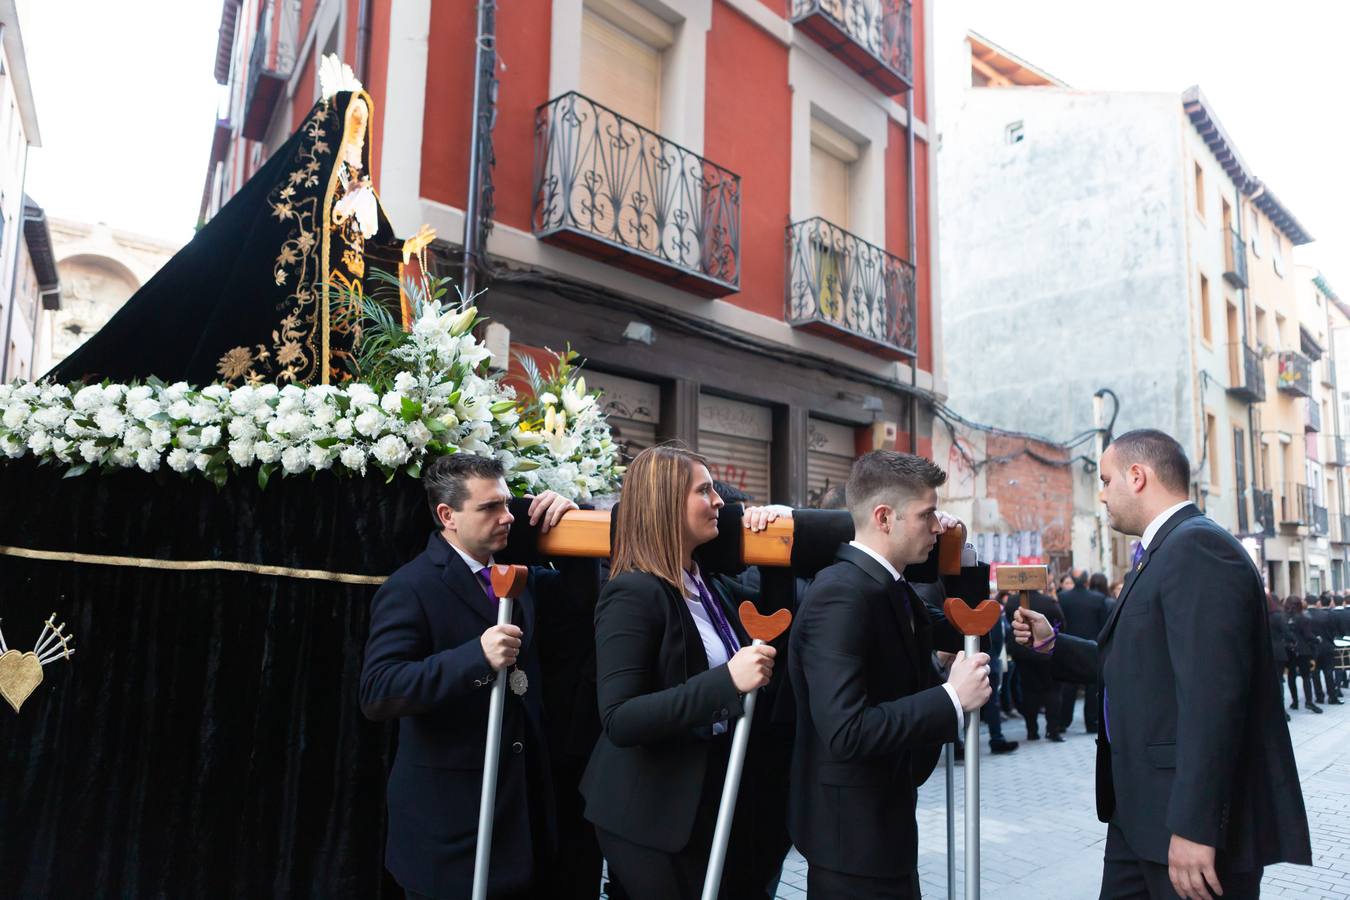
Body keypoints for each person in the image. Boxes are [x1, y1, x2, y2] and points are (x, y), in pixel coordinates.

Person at [1011, 429, 1311, 900]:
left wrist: (1196, 826)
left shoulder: (1197, 549)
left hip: (1182, 826)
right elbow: (1135, 670)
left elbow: (1213, 698)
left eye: (1107, 481)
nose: (1103, 495)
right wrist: (1054, 645)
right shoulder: (1164, 550)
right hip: (1137, 815)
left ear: (1137, 476)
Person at [358, 453, 581, 900]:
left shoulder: (518, 575)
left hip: (522, 815)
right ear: (448, 515)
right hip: (452, 823)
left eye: (506, 504)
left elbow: (582, 607)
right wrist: (475, 658)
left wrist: (570, 526)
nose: (506, 518)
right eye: (489, 508)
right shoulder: (411, 587)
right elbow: (379, 691)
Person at [788, 450, 991, 899]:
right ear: (884, 517)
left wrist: (966, 555)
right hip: (850, 835)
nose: (938, 526)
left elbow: (970, 632)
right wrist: (951, 699)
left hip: (883, 822)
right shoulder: (842, 595)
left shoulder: (889, 586)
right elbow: (845, 730)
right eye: (927, 515)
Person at [579, 445, 777, 900]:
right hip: (651, 815)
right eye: (704, 490)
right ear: (667, 503)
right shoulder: (632, 593)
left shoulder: (708, 585)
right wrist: (726, 681)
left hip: (708, 804)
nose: (719, 502)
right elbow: (620, 717)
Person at [1008, 588, 1066, 741]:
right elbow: (1061, 623)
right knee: (1052, 691)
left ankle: (1031, 731)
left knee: (1029, 692)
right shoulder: (1049, 602)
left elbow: (1010, 623)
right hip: (1047, 654)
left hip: (1022, 652)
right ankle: (1053, 730)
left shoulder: (1012, 601)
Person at [1056, 570, 1109, 734]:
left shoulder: (1063, 598)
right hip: (1092, 646)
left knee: (1069, 687)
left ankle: (1063, 722)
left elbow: (1060, 622)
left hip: (1069, 645)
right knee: (1092, 688)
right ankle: (1091, 722)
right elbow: (1103, 625)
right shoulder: (1099, 599)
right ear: (1087, 582)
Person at [1286, 596, 1322, 714]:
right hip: (1303, 651)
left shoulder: (1285, 617)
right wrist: (1317, 639)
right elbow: (1307, 635)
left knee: (1291, 676)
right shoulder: (1303, 618)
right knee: (1306, 676)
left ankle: (1295, 702)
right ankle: (1309, 701)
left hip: (1290, 650)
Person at [1310, 595, 1344, 705]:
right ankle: (1332, 696)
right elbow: (1334, 631)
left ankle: (1319, 696)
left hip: (1314, 647)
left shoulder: (1308, 615)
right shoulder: (1329, 615)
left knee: (1315, 673)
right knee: (1328, 672)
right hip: (1328, 646)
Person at [1267, 591, 1293, 723]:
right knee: (1279, 681)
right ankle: (1281, 710)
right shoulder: (1277, 616)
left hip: (1266, 652)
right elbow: (1286, 633)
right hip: (1278, 652)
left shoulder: (1261, 616)